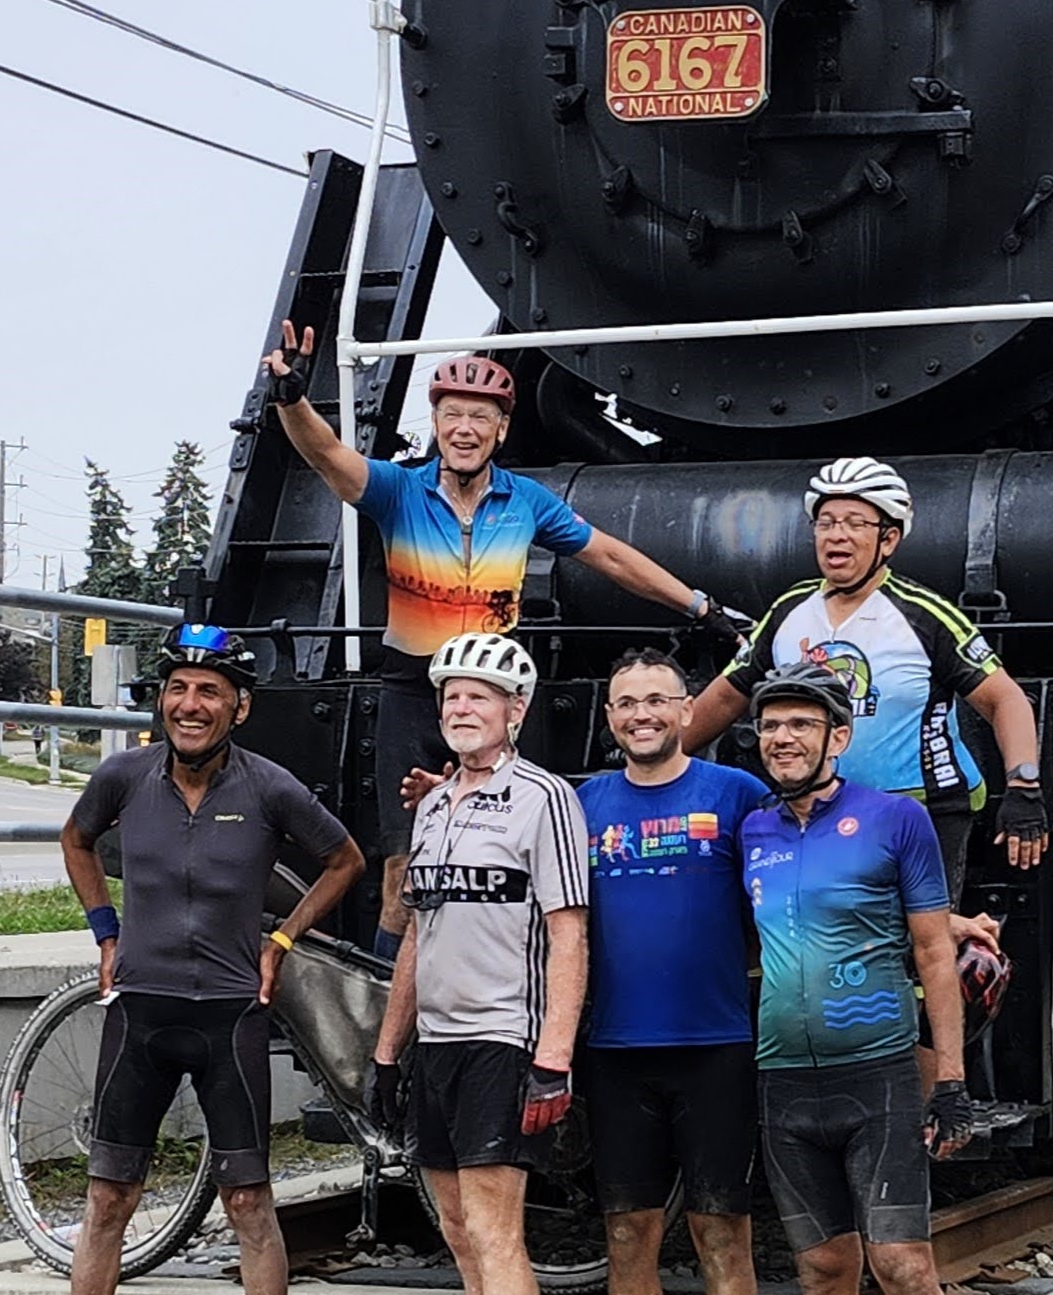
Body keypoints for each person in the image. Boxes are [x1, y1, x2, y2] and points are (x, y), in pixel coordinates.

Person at [263, 325, 738, 959]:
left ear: (502, 429)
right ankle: (387, 1004)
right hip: (414, 693)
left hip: (499, 695)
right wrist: (292, 398)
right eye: (452, 415)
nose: (465, 429)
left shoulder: (527, 502)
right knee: (403, 869)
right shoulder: (398, 491)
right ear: (436, 424)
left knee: (511, 852)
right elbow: (327, 456)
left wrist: (698, 605)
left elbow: (610, 556)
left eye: (480, 417)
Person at [50, 624, 364, 1295]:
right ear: (162, 700)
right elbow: (76, 839)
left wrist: (282, 940)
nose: (190, 705)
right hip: (141, 1012)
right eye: (179, 689)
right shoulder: (123, 777)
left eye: (210, 692)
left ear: (239, 707)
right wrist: (104, 931)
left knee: (250, 1202)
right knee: (108, 1198)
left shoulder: (268, 786)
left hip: (230, 1015)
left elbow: (345, 860)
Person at [741, 664, 989, 1295]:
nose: (783, 739)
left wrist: (949, 1079)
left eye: (801, 725)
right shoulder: (752, 828)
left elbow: (932, 952)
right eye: (771, 726)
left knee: (905, 1268)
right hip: (782, 1080)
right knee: (820, 1271)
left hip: (876, 1072)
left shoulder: (895, 819)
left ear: (837, 738)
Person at [372, 630, 590, 1295]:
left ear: (515, 711)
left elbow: (569, 934)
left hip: (505, 1036)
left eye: (480, 697)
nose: (462, 709)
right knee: (459, 1229)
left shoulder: (545, 799)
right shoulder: (433, 806)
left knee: (498, 1233)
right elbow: (416, 933)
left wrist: (553, 1057)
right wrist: (388, 1050)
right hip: (439, 1042)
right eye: (451, 696)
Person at [684, 457, 1051, 918]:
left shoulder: (924, 616)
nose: (836, 535)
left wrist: (1023, 785)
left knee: (919, 941)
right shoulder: (788, 611)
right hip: (817, 806)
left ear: (888, 539)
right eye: (826, 523)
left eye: (855, 523)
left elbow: (1004, 698)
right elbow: (725, 695)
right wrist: (658, 761)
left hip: (921, 811)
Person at [573, 648, 766, 1295]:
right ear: (609, 717)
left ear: (688, 711)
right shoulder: (582, 803)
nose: (642, 715)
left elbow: (803, 881)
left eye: (657, 700)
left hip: (716, 1045)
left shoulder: (736, 795)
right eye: (626, 703)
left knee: (722, 1233)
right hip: (616, 1049)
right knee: (627, 1237)